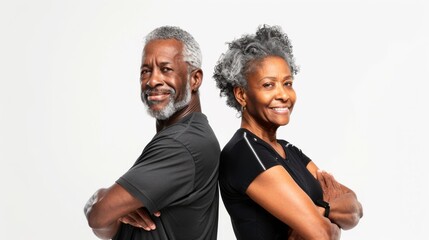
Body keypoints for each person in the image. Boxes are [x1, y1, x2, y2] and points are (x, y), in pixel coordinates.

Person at [213, 25, 363, 240]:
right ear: (241, 95)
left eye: (287, 83)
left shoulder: (288, 150)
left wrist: (322, 212)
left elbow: (356, 208)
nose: (283, 94)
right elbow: (323, 235)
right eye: (268, 85)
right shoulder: (245, 152)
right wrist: (328, 216)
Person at [84, 26, 220, 240]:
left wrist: (100, 198)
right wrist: (112, 211)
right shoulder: (180, 137)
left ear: (195, 79)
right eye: (145, 71)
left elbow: (98, 216)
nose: (152, 81)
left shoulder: (182, 144)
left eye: (166, 69)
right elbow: (107, 229)